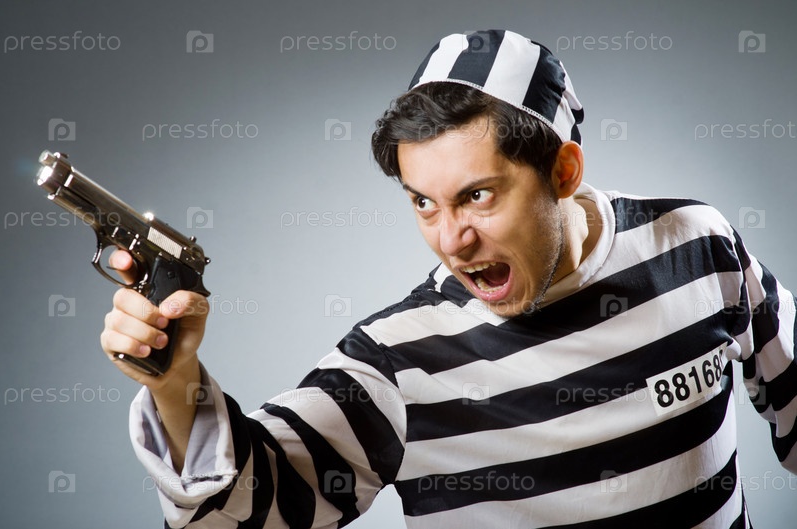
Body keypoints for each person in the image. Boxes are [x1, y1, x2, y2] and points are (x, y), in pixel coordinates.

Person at [101, 29, 797, 528]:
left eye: (477, 196)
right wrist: (176, 382)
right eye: (423, 202)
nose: (451, 239)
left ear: (562, 172)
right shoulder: (397, 359)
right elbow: (245, 513)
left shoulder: (698, 246)